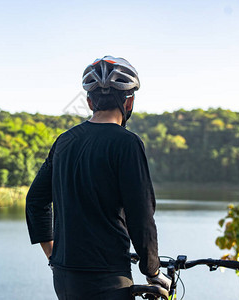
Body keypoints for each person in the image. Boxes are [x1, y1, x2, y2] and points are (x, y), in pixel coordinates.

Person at [25, 56, 170, 299]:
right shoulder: (127, 143)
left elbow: (35, 200)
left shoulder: (64, 141)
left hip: (64, 276)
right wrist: (152, 270)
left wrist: (54, 254)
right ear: (129, 102)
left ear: (90, 101)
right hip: (107, 276)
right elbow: (141, 215)